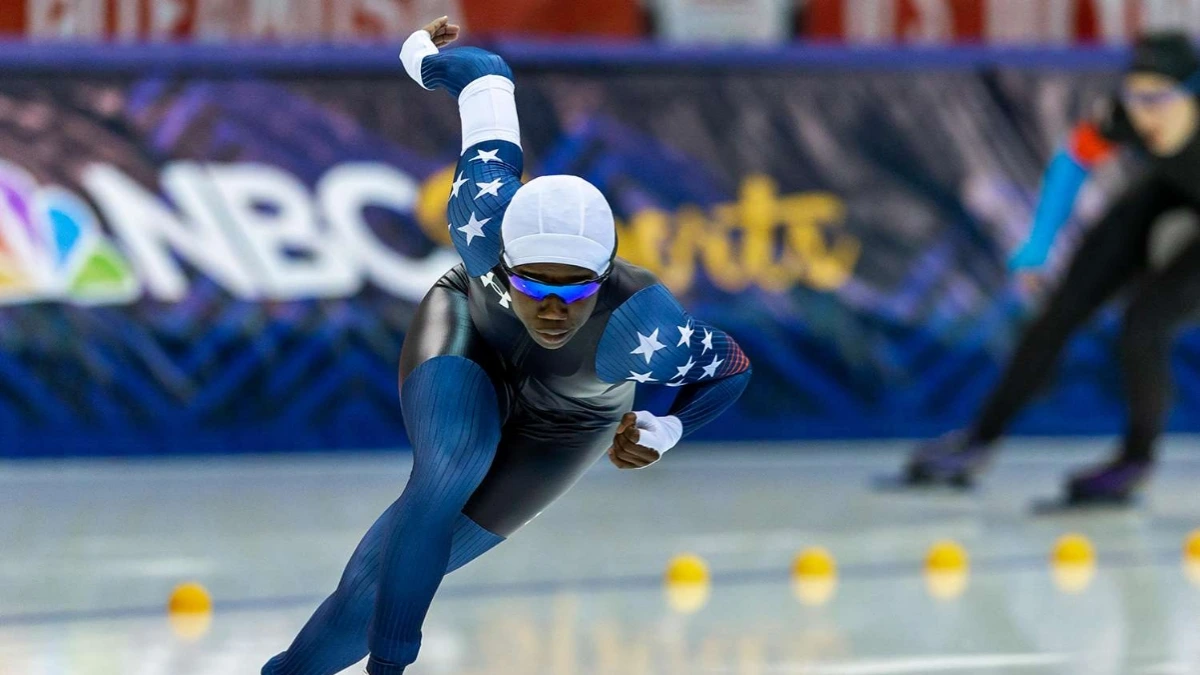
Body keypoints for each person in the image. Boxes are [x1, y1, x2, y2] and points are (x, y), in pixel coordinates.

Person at [262, 17, 751, 675]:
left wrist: (669, 424)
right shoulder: (481, 223)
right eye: (533, 284)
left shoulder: (642, 326)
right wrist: (419, 52)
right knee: (454, 461)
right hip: (471, 338)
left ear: (605, 277)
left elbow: (732, 365)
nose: (552, 309)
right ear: (503, 261)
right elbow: (483, 76)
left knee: (366, 594)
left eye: (575, 290)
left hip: (570, 420)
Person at [906, 32, 1200, 505]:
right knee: (1060, 311)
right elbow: (1072, 161)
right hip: (1165, 194)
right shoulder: (1127, 117)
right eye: (1135, 97)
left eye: (1159, 99)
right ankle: (979, 440)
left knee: (1144, 324)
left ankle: (1135, 459)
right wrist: (1038, 245)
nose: (1146, 114)